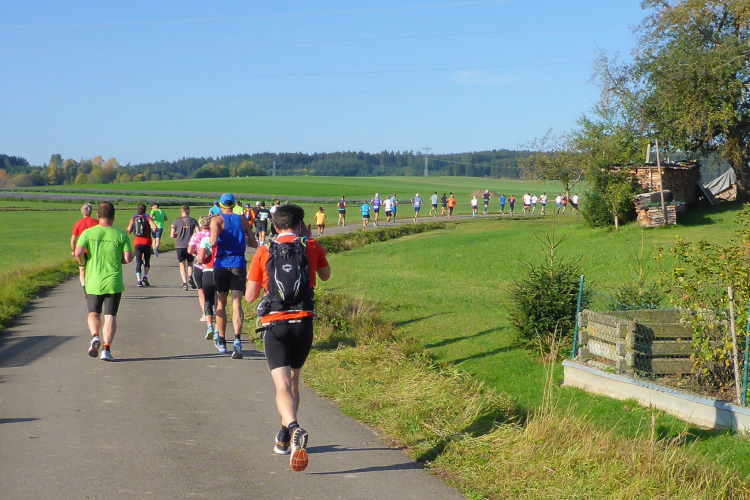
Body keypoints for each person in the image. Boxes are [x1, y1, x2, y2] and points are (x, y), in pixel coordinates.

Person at [245, 204, 330, 471]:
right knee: (294, 380)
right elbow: (326, 276)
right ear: (300, 225)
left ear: (275, 225)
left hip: (275, 325)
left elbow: (250, 296)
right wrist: (310, 248)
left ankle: (292, 427)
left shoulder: (264, 251)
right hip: (303, 321)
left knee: (281, 385)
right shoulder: (311, 246)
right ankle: (284, 437)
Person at [74, 202, 133, 362]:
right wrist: (121, 259)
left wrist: (83, 264)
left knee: (93, 313)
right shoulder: (121, 235)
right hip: (113, 281)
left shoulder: (88, 233)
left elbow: (78, 252)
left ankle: (95, 336)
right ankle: (106, 349)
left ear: (98, 215)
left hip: (93, 280)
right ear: (113, 216)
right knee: (110, 316)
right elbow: (128, 258)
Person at [210, 193, 258, 358]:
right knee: (236, 303)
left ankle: (222, 341)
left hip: (222, 263)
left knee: (221, 303)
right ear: (233, 205)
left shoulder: (217, 220)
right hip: (238, 263)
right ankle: (237, 339)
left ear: (221, 205)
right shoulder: (242, 219)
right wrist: (240, 240)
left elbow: (213, 241)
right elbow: (254, 243)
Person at [188, 216, 212, 328]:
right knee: (213, 290)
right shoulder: (213, 235)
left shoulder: (196, 235)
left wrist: (195, 252)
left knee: (201, 290)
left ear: (201, 224)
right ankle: (213, 309)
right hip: (212, 265)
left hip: (199, 265)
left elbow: (189, 250)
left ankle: (205, 313)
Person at [71, 203, 98, 299]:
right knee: (94, 270)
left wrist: (73, 250)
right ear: (91, 211)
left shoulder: (78, 224)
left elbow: (73, 240)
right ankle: (94, 288)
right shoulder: (96, 222)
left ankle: (85, 289)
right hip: (94, 250)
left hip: (82, 251)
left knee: (82, 270)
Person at [126, 203, 157, 288]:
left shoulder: (134, 218)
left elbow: (128, 229)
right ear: (145, 210)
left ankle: (139, 280)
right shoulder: (147, 218)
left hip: (137, 242)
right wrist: (153, 232)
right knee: (147, 261)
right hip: (147, 242)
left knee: (138, 262)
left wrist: (132, 230)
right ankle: (145, 277)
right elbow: (154, 227)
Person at [196, 224, 217, 342]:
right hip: (220, 272)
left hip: (208, 272)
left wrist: (199, 261)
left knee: (208, 301)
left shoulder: (205, 240)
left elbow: (200, 258)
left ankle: (209, 327)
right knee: (219, 304)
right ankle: (218, 331)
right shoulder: (223, 240)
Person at [171, 205, 199, 291]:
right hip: (190, 245)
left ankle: (184, 283)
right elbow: (198, 232)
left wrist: (178, 235)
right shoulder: (193, 221)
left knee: (182, 264)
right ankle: (190, 276)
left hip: (180, 245)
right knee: (190, 263)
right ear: (188, 211)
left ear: (181, 211)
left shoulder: (176, 221)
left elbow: (172, 235)